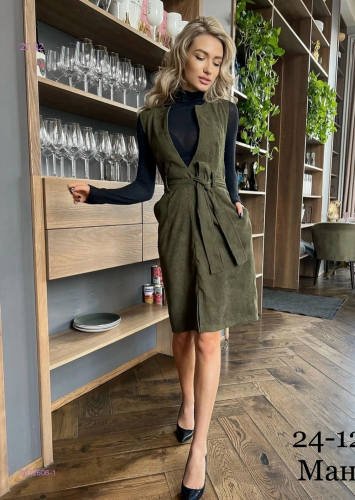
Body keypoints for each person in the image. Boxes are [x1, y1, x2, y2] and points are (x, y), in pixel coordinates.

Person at [67, 16, 259, 500]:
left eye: (217, 61)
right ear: (181, 56)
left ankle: (200, 450)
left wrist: (237, 205)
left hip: (218, 227)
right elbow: (141, 186)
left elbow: (228, 177)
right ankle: (187, 404)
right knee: (183, 332)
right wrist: (96, 194)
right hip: (175, 228)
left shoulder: (226, 112)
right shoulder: (149, 119)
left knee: (210, 338)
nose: (210, 68)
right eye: (201, 56)